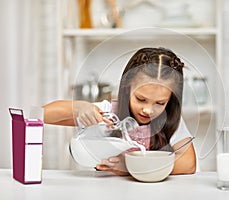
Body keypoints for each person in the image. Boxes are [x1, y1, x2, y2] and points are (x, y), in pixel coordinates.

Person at [43, 47, 196, 175]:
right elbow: (43, 114)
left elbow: (188, 163)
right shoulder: (109, 114)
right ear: (127, 89)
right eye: (141, 99)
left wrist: (131, 167)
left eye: (160, 103)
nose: (148, 110)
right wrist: (79, 108)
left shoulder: (168, 120)